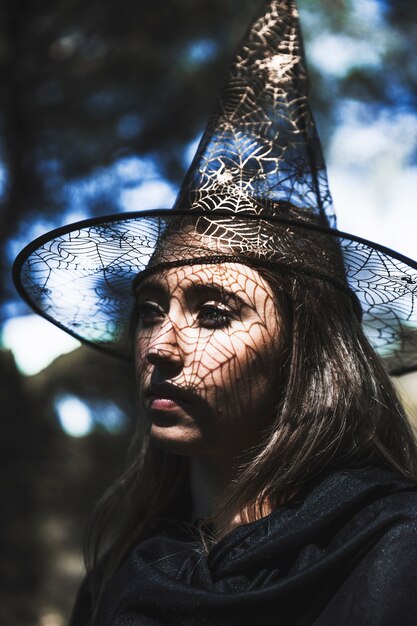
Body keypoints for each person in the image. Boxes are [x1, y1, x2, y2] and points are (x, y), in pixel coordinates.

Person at [13, 0, 417, 624]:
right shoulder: (125, 566)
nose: (160, 347)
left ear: (305, 351)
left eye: (214, 313)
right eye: (150, 309)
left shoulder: (393, 547)